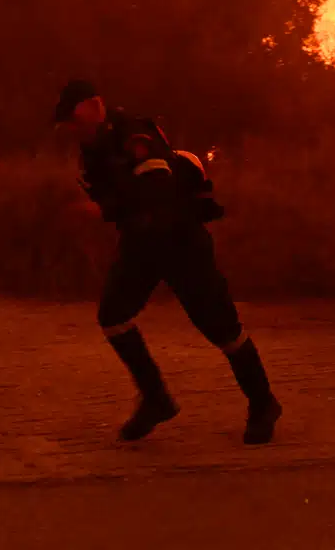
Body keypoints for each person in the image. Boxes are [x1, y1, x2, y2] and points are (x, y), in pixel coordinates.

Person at [52, 79, 282, 445]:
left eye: (73, 118)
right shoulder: (92, 151)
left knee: (221, 329)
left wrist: (105, 208)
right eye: (66, 123)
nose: (70, 128)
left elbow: (157, 188)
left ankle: (263, 403)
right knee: (112, 315)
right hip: (141, 244)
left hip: (180, 240)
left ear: (95, 105)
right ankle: (155, 398)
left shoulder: (135, 135)